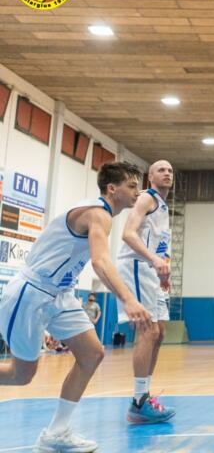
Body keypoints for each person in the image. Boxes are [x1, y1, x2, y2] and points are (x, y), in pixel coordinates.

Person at [0, 162, 151, 452]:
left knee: (92, 353)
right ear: (112, 188)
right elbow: (100, 262)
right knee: (22, 375)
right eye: (131, 186)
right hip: (31, 292)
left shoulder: (102, 215)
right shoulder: (98, 213)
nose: (137, 191)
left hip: (60, 294)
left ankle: (56, 434)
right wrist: (128, 299)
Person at [116, 159, 176, 424]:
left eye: (170, 170)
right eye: (161, 170)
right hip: (136, 266)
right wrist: (154, 261)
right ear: (149, 177)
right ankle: (139, 401)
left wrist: (164, 269)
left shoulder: (162, 207)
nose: (167, 173)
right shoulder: (146, 199)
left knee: (160, 333)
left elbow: (158, 244)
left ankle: (145, 396)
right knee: (148, 330)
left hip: (150, 270)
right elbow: (128, 234)